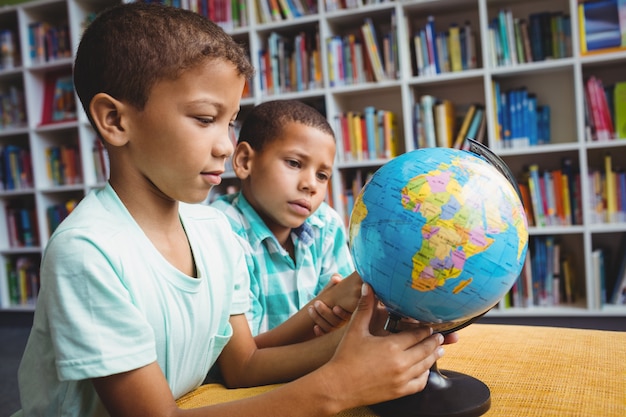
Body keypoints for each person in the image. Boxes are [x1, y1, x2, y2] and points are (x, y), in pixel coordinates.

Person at [13, 3, 454, 416]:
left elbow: (244, 365)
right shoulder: (88, 253)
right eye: (205, 119)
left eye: (230, 122)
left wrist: (373, 333)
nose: (225, 145)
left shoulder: (212, 230)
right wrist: (336, 387)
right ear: (115, 120)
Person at [211, 99, 358, 343]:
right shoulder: (223, 230)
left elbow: (345, 321)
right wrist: (324, 306)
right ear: (245, 161)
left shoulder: (327, 225)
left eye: (322, 176)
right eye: (294, 163)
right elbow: (244, 356)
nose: (310, 185)